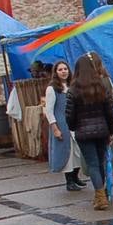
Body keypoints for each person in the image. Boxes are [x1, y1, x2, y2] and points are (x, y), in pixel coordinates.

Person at [64, 55, 113, 211]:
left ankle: (100, 197)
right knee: (100, 162)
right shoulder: (101, 86)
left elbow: (69, 114)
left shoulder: (74, 89)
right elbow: (110, 111)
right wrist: (111, 130)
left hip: (83, 132)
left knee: (92, 164)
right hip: (102, 131)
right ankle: (100, 194)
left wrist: (74, 127)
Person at [43, 61, 86, 192]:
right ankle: (69, 181)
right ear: (56, 72)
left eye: (65, 69)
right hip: (62, 124)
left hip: (75, 124)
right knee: (67, 154)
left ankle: (76, 176)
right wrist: (55, 128)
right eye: (60, 69)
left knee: (78, 152)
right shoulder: (52, 89)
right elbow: (49, 110)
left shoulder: (73, 86)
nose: (63, 71)